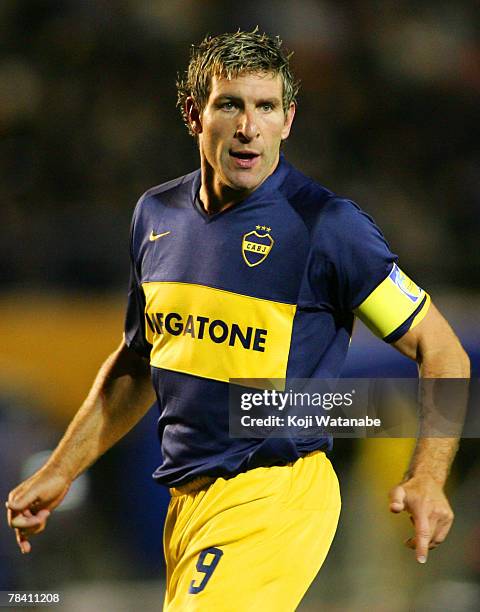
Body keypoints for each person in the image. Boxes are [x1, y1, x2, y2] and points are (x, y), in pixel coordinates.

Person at [6, 30, 470, 611]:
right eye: (230, 104)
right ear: (193, 114)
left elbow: (443, 350)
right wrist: (61, 469)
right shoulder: (156, 215)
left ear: (288, 119)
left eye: (266, 106)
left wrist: (428, 475)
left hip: (275, 493)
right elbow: (140, 362)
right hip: (187, 509)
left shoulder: (327, 226)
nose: (249, 125)